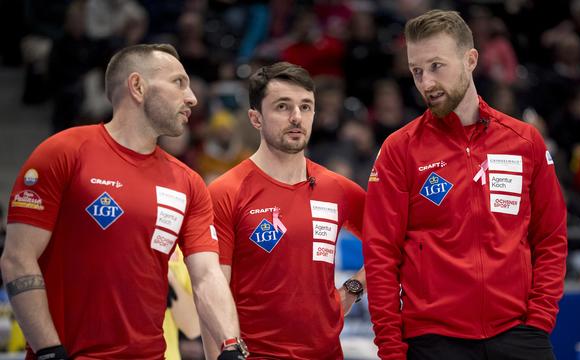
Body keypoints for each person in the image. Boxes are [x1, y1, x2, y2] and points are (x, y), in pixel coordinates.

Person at [1, 44, 247, 360]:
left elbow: (206, 275)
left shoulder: (188, 183)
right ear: (137, 86)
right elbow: (17, 259)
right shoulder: (64, 152)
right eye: (178, 82)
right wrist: (49, 350)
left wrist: (231, 346)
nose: (192, 98)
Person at [363, 10, 568, 360]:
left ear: (470, 59)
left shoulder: (524, 141)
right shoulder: (400, 150)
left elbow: (550, 237)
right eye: (417, 71)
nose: (426, 82)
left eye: (436, 66)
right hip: (433, 342)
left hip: (519, 334)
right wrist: (391, 350)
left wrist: (539, 319)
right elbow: (380, 255)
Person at [206, 62, 366, 359]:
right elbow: (212, 294)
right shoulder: (226, 192)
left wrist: (354, 289)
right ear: (255, 118)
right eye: (282, 106)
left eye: (306, 107)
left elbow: (394, 241)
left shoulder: (338, 189)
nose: (296, 117)